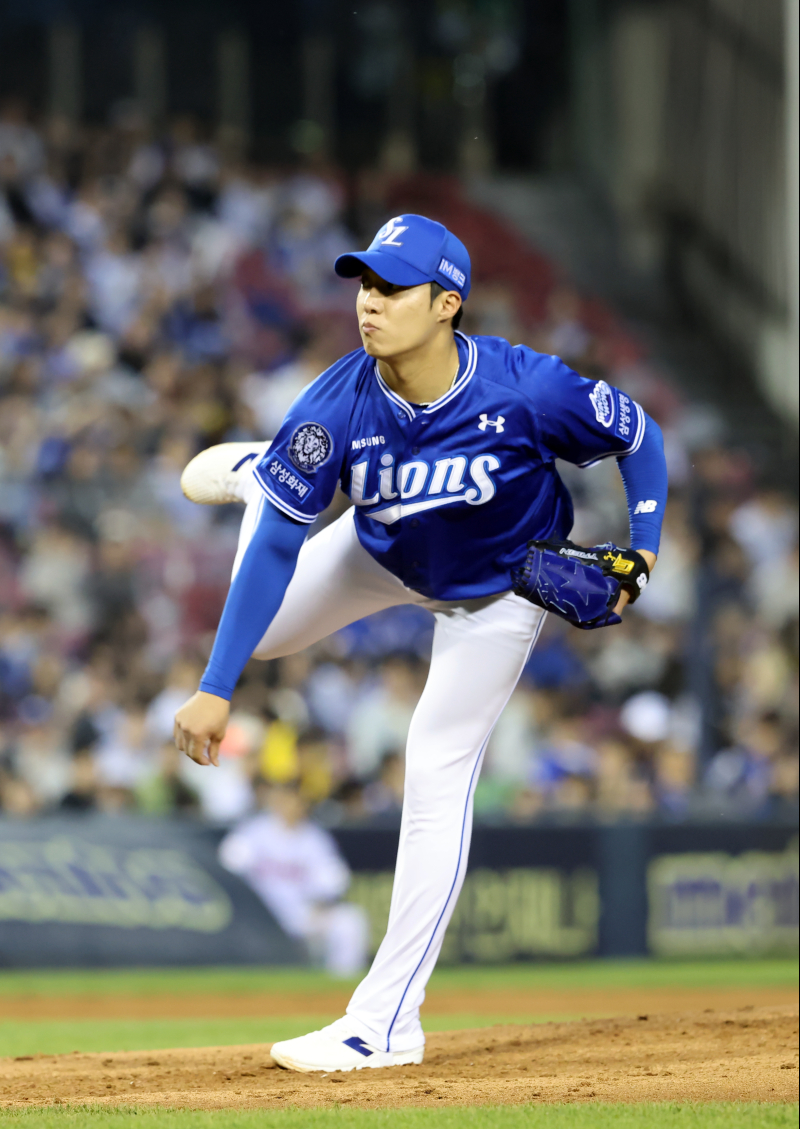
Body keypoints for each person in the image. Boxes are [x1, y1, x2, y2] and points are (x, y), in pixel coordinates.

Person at [174, 213, 667, 1072]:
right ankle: (275, 476)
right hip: (379, 551)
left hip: (499, 587)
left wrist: (646, 551)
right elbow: (276, 554)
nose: (369, 302)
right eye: (365, 283)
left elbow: (639, 436)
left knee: (436, 766)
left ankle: (385, 1022)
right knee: (263, 633)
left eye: (393, 287)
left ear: (447, 303)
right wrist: (216, 685)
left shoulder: (526, 388)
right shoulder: (334, 402)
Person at [218, 783, 368, 976]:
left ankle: (342, 984)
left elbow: (333, 879)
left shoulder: (314, 837)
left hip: (301, 913)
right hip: (261, 914)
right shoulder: (254, 831)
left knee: (350, 921)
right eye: (286, 800)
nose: (292, 806)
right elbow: (228, 865)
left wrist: (320, 901)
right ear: (276, 802)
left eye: (297, 802)